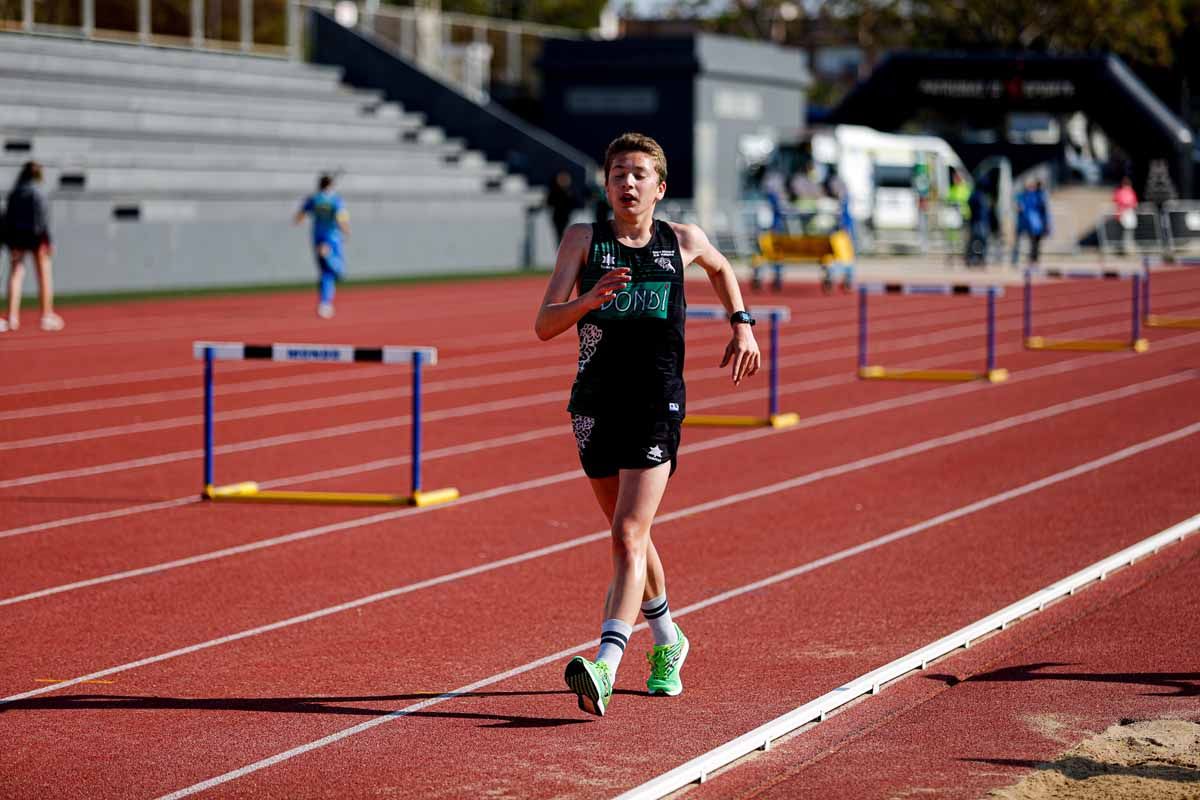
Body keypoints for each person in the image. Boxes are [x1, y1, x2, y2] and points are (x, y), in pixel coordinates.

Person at [534, 132, 760, 717]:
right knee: (628, 531)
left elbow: (721, 266)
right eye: (617, 175)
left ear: (660, 188)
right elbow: (543, 324)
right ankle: (669, 641)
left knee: (627, 535)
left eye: (638, 174)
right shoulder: (583, 239)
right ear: (606, 185)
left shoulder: (681, 241)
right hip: (593, 405)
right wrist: (590, 299)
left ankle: (604, 667)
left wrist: (742, 324)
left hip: (656, 404)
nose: (627, 184)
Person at [3, 161, 63, 332]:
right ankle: (46, 315)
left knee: (16, 275)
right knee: (44, 275)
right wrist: (47, 240)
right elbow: (43, 219)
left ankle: (12, 317)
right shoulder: (39, 192)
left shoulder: (15, 192)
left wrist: (9, 240)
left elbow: (8, 218)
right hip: (36, 237)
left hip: (17, 237)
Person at [294, 173, 350, 318]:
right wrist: (346, 232)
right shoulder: (336, 200)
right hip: (332, 237)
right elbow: (342, 218)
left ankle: (325, 304)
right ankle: (328, 254)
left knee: (325, 274)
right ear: (330, 185)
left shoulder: (313, 199)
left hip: (317, 236)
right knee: (339, 271)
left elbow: (299, 217)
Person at [1012, 179, 1050, 266]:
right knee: (1018, 241)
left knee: (1034, 242)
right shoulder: (1022, 196)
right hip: (1022, 222)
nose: (1030, 187)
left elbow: (1042, 210)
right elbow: (1018, 206)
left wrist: (1045, 223)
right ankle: (1015, 259)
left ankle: (1033, 260)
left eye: (1032, 186)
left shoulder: (1037, 196)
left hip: (1033, 224)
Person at [546, 170, 580, 244]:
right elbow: (549, 202)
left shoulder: (570, 191)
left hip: (567, 216)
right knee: (560, 234)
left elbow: (575, 203)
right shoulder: (554, 191)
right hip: (558, 216)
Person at [1112, 176, 1138, 254]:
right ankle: (1124, 248)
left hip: (1128, 214)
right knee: (1124, 232)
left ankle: (1127, 248)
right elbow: (1118, 202)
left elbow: (1134, 203)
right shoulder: (1121, 192)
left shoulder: (1130, 191)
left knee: (1128, 232)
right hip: (1123, 214)